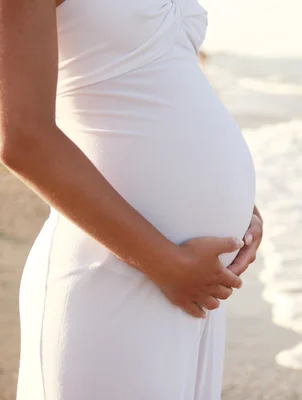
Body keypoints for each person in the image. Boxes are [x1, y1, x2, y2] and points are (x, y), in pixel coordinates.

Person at [0, 0, 262, 398]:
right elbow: (23, 138)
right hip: (113, 270)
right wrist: (167, 264)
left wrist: (238, 204)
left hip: (193, 282)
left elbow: (158, 86)